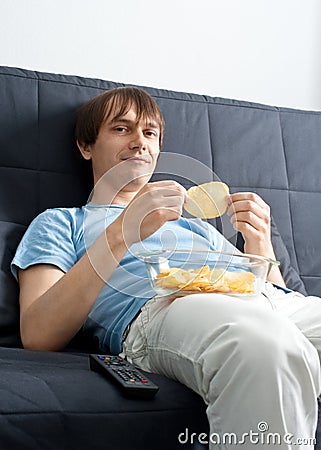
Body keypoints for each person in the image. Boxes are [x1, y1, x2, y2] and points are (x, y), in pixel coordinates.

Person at [11, 87, 321, 449]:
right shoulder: (61, 223)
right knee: (265, 344)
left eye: (150, 132)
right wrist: (120, 234)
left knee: (272, 328)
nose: (139, 142)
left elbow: (276, 294)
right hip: (166, 308)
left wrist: (260, 243)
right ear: (86, 146)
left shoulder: (196, 226)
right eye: (121, 129)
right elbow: (37, 333)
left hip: (260, 300)